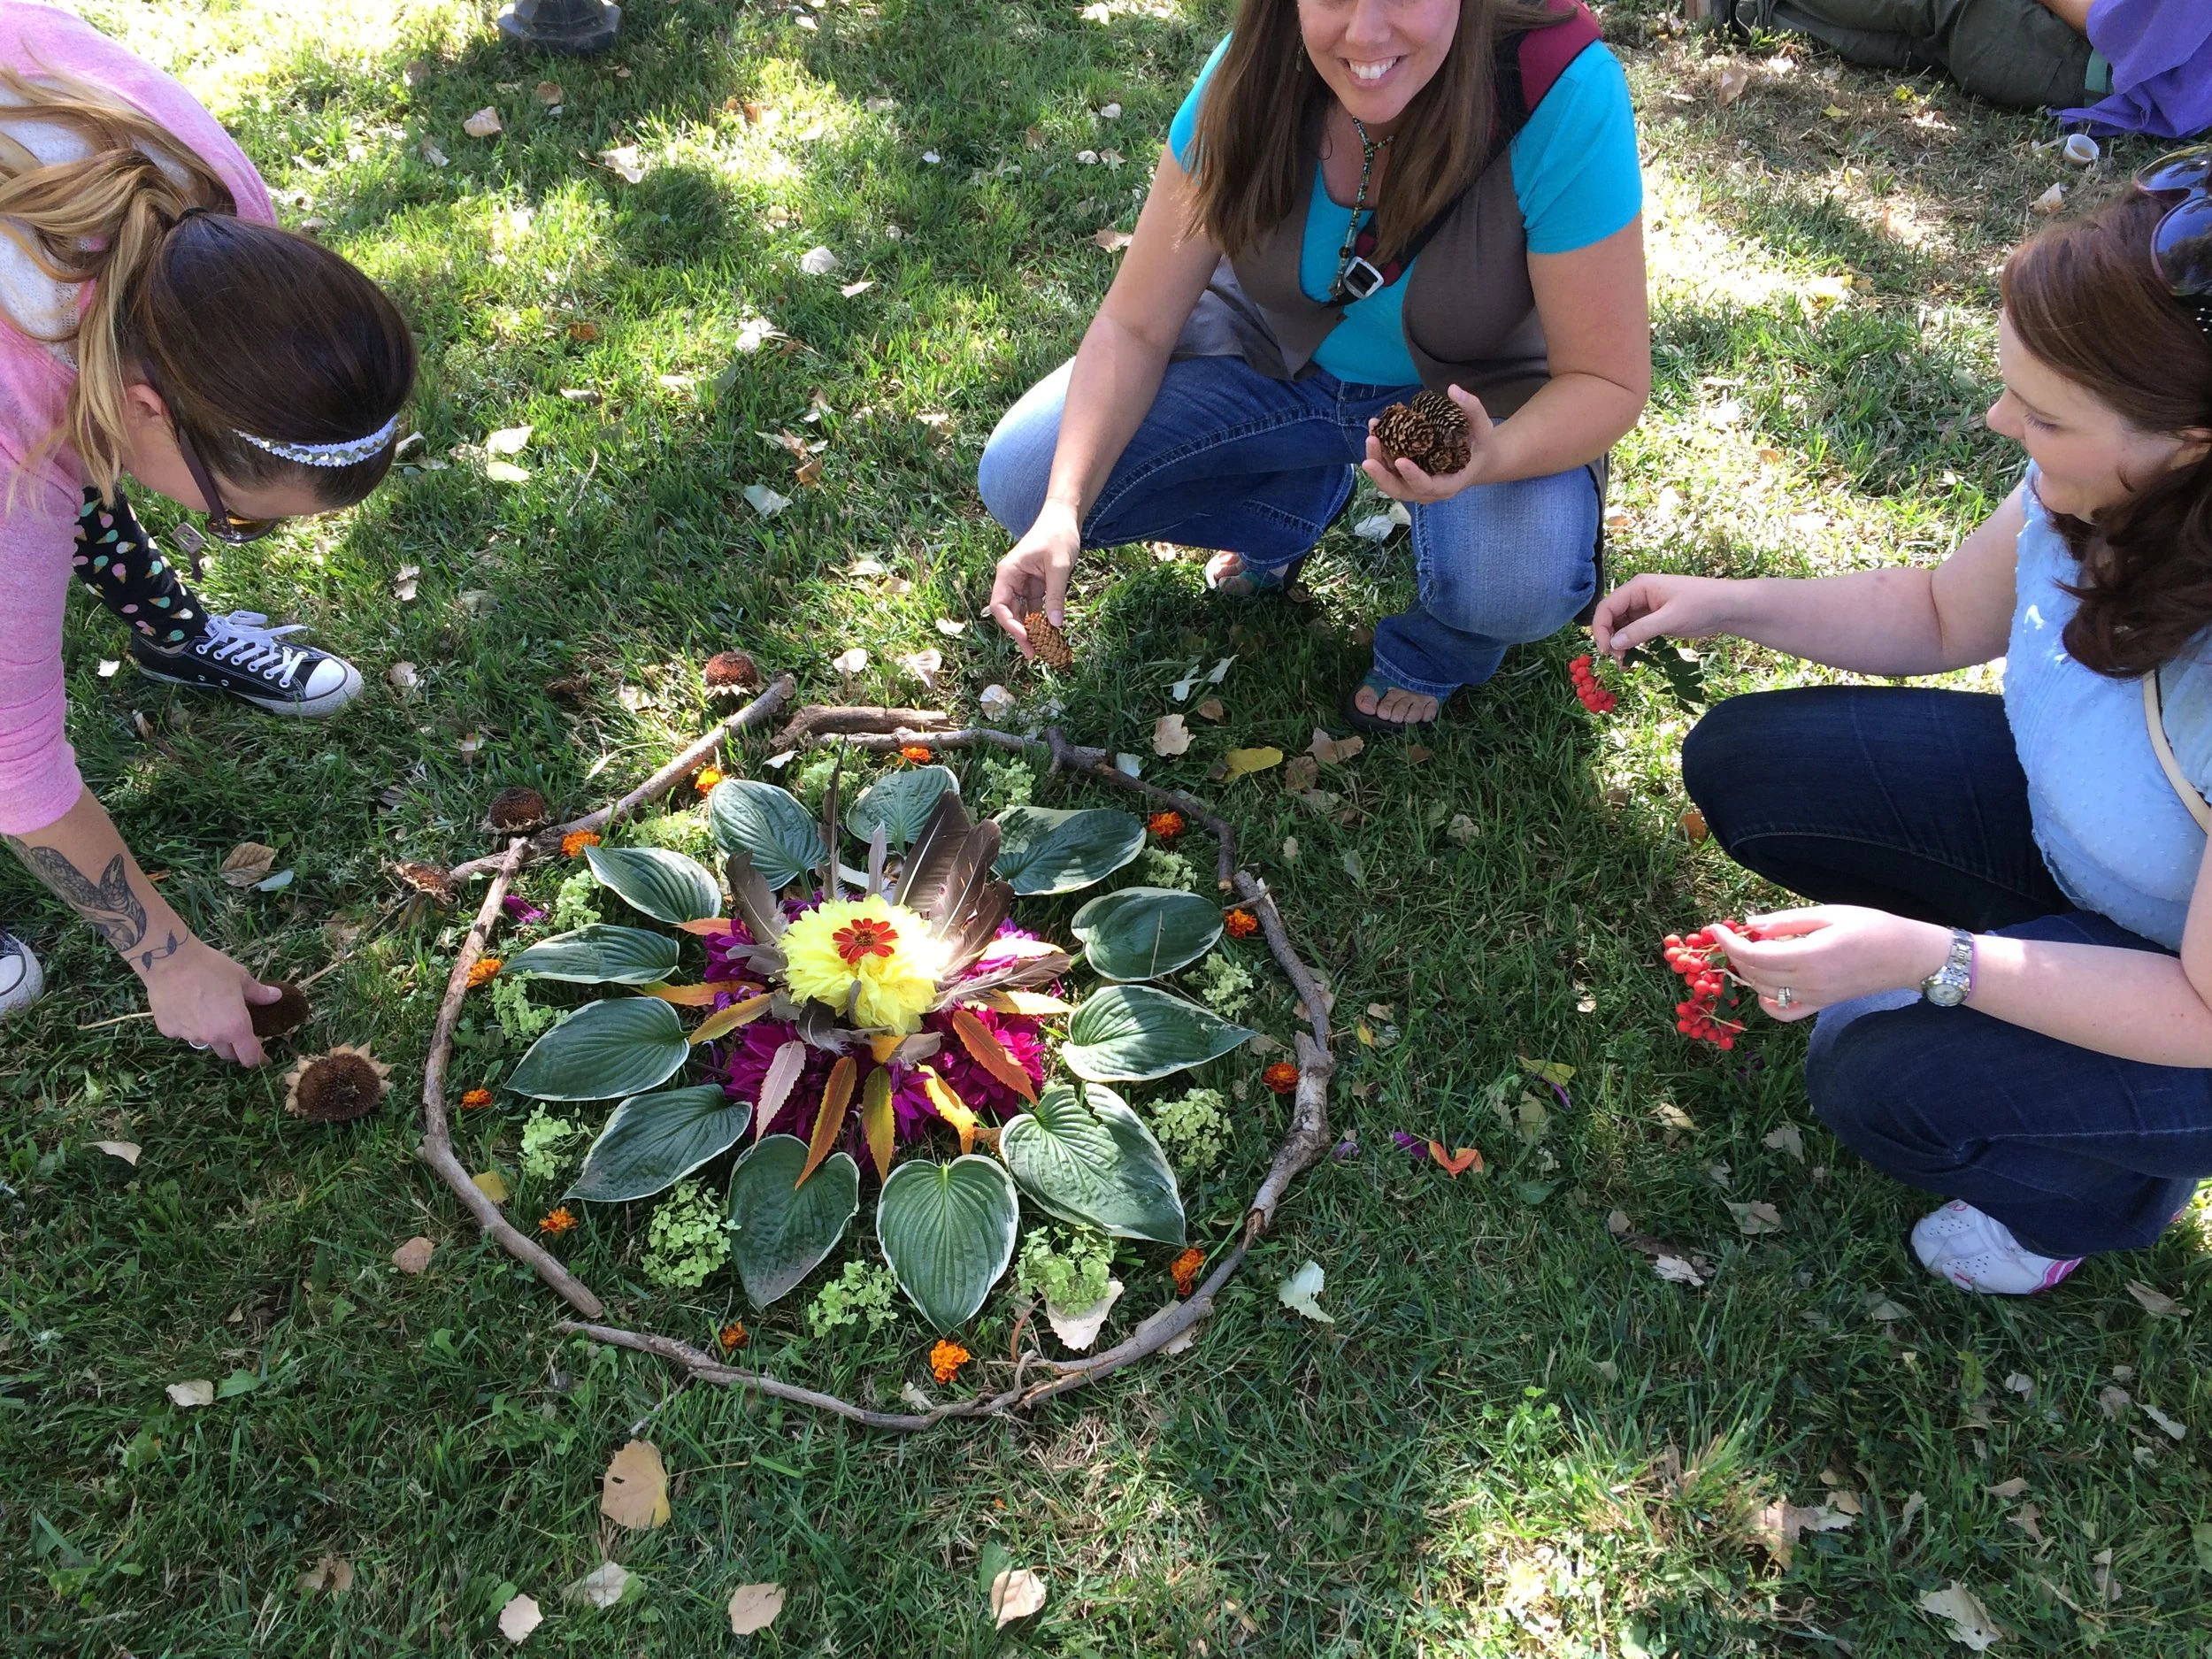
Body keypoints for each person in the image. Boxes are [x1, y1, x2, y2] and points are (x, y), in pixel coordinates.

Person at [1592, 157, 2212, 1294]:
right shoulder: (2099, 484)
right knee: (1751, 763)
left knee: (1874, 1066)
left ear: (2190, 444)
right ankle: (2049, 967)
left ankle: (2094, 1191)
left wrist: (1938, 962)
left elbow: (2202, 1010)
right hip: (2107, 861)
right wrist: (1730, 602)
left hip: (2198, 1009)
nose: (1998, 421)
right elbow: (1938, 608)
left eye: (2043, 413)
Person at [979, 0, 1648, 733]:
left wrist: (1494, 455)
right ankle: (1289, 512)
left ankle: (1441, 647)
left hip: (1478, 396)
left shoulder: (1562, 89)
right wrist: (1062, 510)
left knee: (1512, 581)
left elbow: (1607, 379)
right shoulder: (1253, 68)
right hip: (1269, 358)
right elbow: (1134, 325)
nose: (1365, 32)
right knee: (1027, 475)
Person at [0, 1, 415, 1060]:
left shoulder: (219, 210)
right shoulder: (14, 416)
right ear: (150, 405)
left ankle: (167, 630)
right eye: (236, 518)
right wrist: (169, 958)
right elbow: (15, 756)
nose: (228, 527)